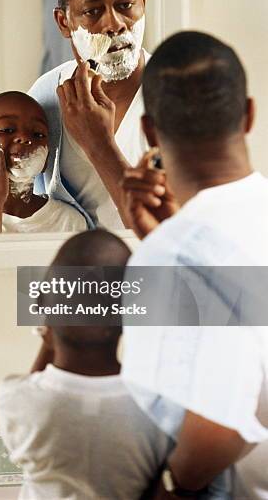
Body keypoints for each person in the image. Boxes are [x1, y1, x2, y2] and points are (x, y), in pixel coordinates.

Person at [117, 31, 268, 498]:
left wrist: (173, 486)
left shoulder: (171, 255)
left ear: (149, 130)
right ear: (247, 114)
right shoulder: (178, 246)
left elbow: (226, 419)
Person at [0, 229, 173, 500]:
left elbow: (40, 388)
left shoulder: (13, 397)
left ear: (44, 307)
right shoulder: (160, 406)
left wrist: (50, 319)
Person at [28, 0, 150, 230]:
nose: (114, 24)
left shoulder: (176, 95)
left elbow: (170, 232)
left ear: (143, 4)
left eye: (125, 5)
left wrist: (98, 143)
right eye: (93, 11)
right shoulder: (43, 98)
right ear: (63, 22)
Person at [0, 91, 87, 234]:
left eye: (38, 134)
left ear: (46, 159)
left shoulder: (68, 221)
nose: (24, 138)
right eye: (7, 130)